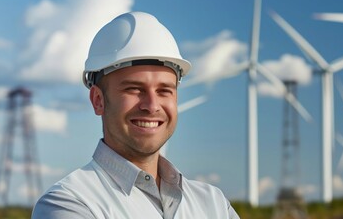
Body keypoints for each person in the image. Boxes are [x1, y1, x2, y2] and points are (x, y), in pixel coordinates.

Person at [32, 11, 240, 219]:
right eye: (134, 89)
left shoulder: (213, 202)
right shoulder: (67, 203)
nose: (152, 105)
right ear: (98, 100)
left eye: (164, 90)